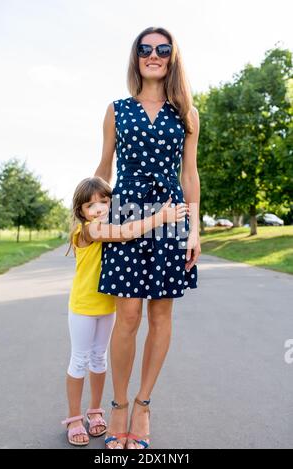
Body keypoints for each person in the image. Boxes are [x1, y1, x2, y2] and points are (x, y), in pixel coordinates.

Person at [94, 26, 201, 449]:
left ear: (172, 57)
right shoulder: (117, 110)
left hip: (173, 218)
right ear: (136, 57)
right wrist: (87, 214)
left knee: (160, 316)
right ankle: (118, 406)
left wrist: (195, 230)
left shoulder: (187, 113)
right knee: (129, 317)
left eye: (162, 49)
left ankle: (143, 405)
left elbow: (189, 176)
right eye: (145, 49)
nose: (153, 55)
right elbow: (103, 169)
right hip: (126, 215)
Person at [62, 175, 188, 446]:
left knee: (99, 360)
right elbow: (126, 232)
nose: (98, 209)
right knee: (80, 360)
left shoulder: (108, 219)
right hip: (83, 307)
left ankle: (95, 412)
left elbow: (125, 225)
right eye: (90, 206)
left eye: (104, 202)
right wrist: (160, 217)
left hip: (107, 306)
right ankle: (73, 417)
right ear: (80, 212)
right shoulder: (87, 231)